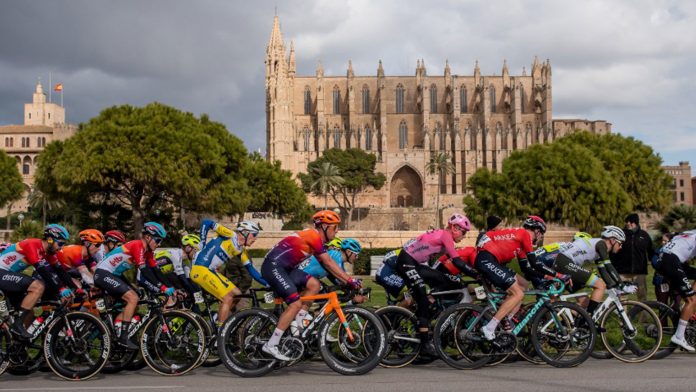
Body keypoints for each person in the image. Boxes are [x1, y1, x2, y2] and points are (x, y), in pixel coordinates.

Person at [260, 210, 360, 360]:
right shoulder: (313, 236)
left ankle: (299, 319)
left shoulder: (317, 241)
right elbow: (328, 262)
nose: (337, 231)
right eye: (335, 227)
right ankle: (271, 344)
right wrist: (350, 280)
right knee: (295, 303)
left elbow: (327, 267)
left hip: (286, 269)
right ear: (325, 226)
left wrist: (346, 281)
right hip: (273, 267)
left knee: (314, 284)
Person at [394, 213, 475, 356]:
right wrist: (477, 274)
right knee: (423, 300)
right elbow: (457, 261)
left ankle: (428, 314)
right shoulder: (446, 236)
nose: (464, 236)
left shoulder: (444, 235)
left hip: (415, 263)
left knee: (442, 279)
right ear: (455, 228)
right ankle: (425, 344)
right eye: (463, 232)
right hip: (406, 262)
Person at [476, 216, 569, 341]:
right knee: (518, 294)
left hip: (492, 261)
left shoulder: (520, 243)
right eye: (541, 234)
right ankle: (490, 328)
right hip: (487, 259)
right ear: (536, 230)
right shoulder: (524, 234)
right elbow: (536, 263)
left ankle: (506, 319)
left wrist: (547, 277)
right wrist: (558, 275)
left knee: (523, 284)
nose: (541, 237)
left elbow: (527, 269)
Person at [93, 222, 171, 349]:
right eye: (157, 240)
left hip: (114, 275)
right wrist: (162, 288)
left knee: (136, 298)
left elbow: (156, 271)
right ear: (147, 237)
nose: (159, 244)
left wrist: (170, 286)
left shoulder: (147, 252)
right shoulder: (138, 245)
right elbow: (145, 271)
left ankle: (117, 327)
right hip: (103, 274)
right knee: (132, 298)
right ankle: (123, 337)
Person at [0, 224, 72, 339]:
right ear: (50, 240)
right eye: (60, 243)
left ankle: (17, 342)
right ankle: (17, 326)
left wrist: (76, 288)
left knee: (30, 312)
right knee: (38, 286)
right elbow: (43, 271)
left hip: (8, 275)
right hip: (1, 272)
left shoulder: (46, 252)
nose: (61, 248)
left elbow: (60, 271)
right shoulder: (32, 244)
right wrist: (61, 289)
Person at [191, 219, 266, 329]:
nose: (255, 238)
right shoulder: (231, 235)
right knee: (228, 298)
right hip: (201, 269)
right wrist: (202, 242)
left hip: (209, 271)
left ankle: (218, 318)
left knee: (237, 294)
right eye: (254, 235)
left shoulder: (241, 251)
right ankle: (221, 332)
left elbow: (252, 271)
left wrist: (268, 284)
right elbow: (206, 222)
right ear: (245, 233)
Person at [653, 230, 696, 351]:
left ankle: (687, 303)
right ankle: (679, 336)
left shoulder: (690, 232)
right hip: (671, 260)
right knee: (691, 300)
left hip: (664, 258)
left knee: (690, 296)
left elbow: (677, 235)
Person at [610, 213, 654, 301]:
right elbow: (613, 252)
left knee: (642, 296)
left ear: (636, 223)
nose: (628, 224)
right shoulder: (620, 234)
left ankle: (643, 314)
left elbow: (651, 251)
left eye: (631, 222)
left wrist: (654, 263)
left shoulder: (644, 235)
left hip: (640, 272)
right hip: (622, 272)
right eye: (627, 222)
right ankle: (623, 314)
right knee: (621, 297)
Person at [652, 232, 677, 304]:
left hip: (675, 283)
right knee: (662, 305)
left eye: (665, 241)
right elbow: (655, 264)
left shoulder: (677, 253)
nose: (663, 242)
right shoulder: (658, 252)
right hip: (661, 282)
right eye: (662, 240)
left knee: (675, 306)